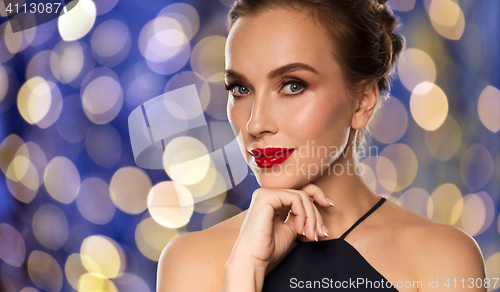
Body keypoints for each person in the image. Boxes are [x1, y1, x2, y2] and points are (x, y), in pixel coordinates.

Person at [157, 0, 486, 291]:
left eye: (293, 85)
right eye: (240, 89)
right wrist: (244, 273)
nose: (255, 123)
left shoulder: (442, 258)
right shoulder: (191, 261)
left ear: (362, 102)